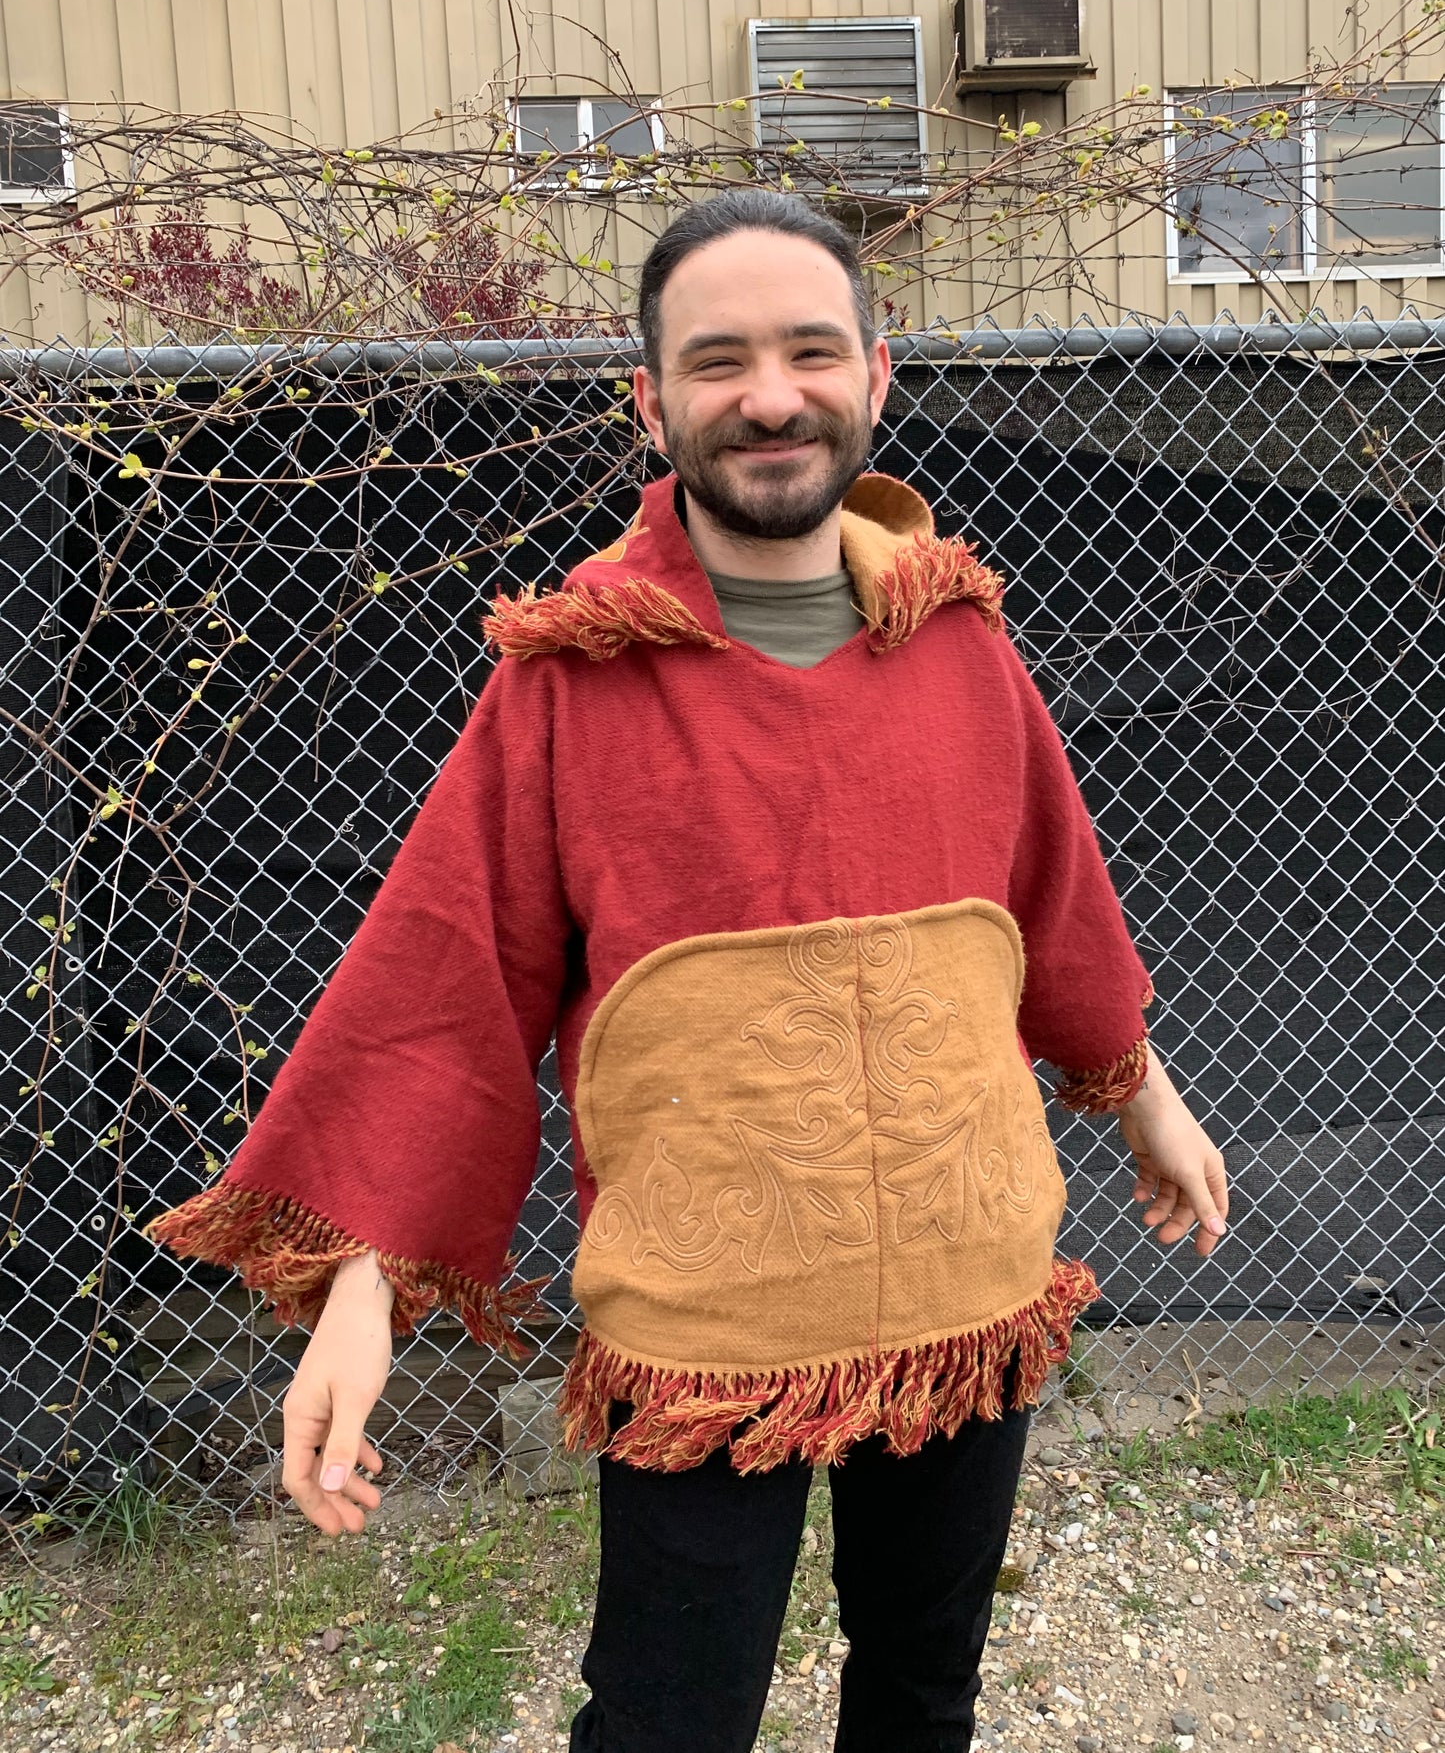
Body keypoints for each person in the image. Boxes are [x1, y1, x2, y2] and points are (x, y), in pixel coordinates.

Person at [150, 189, 1229, 1753]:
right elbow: (448, 982)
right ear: (652, 405)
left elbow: (1049, 901)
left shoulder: (957, 642)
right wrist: (362, 1289)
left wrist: (1143, 1098)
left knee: (923, 1681)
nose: (770, 396)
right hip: (705, 1321)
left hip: (966, 1273)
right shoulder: (572, 678)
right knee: (668, 1717)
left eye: (809, 351)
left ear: (875, 374)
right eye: (718, 361)